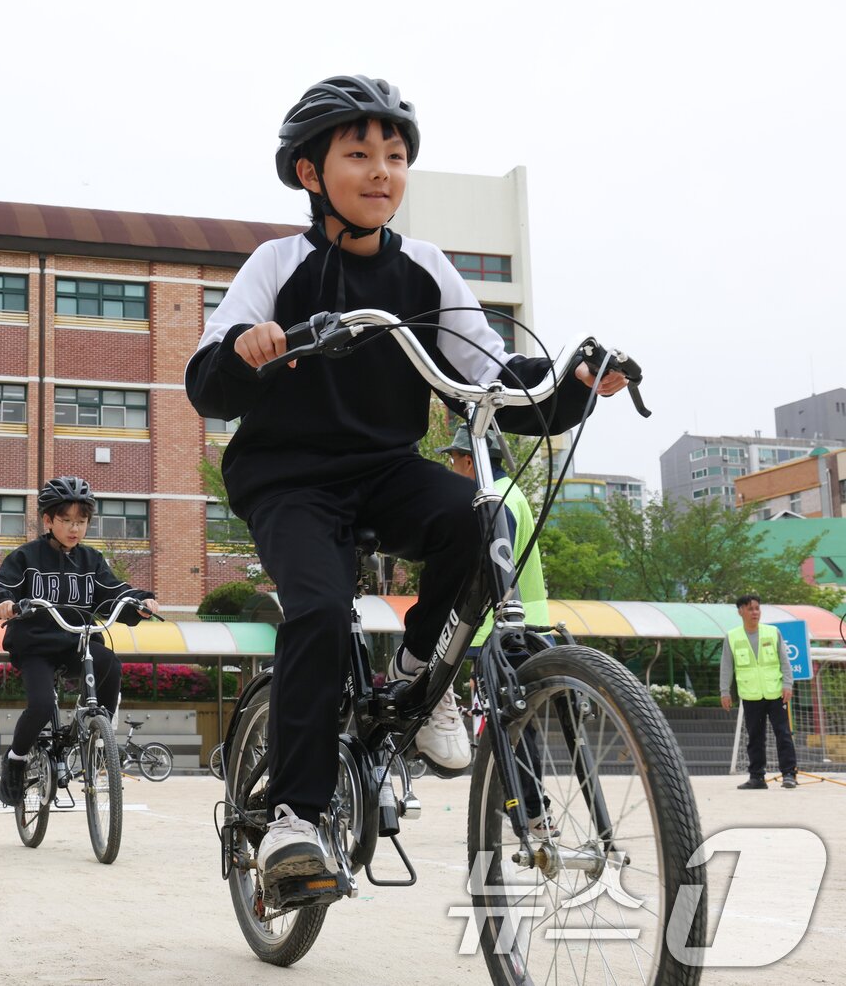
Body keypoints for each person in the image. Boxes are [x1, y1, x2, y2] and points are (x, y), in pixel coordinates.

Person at [185, 74, 626, 886]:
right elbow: (206, 380)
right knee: (319, 608)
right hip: (289, 478)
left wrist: (572, 384)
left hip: (384, 470)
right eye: (359, 153)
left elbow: (495, 375)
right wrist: (248, 350)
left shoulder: (425, 270)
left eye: (395, 154)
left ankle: (421, 675)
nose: (382, 170)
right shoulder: (276, 263)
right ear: (310, 173)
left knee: (480, 518)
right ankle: (294, 820)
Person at [0, 476, 159, 806]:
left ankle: (96, 726)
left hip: (77, 641)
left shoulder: (91, 560)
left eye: (82, 521)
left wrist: (140, 601)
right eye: (66, 520)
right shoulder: (26, 557)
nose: (74, 528)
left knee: (109, 664)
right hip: (35, 645)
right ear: (48, 521)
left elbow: (113, 590)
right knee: (42, 705)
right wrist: (3, 602)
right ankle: (16, 761)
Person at [444, 428, 557, 838]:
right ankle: (530, 808)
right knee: (517, 721)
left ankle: (528, 810)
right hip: (524, 626)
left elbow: (489, 567)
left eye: (454, 460)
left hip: (501, 630)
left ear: (470, 461)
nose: (452, 468)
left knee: (508, 721)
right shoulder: (512, 492)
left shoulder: (493, 499)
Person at [721, 592, 797, 789]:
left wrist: (787, 684)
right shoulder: (732, 637)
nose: (755, 612)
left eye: (757, 608)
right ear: (741, 612)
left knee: (783, 733)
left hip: (775, 692)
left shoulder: (773, 632)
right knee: (755, 737)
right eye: (750, 609)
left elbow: (784, 661)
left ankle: (789, 774)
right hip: (750, 694)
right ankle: (757, 777)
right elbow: (726, 666)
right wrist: (725, 691)